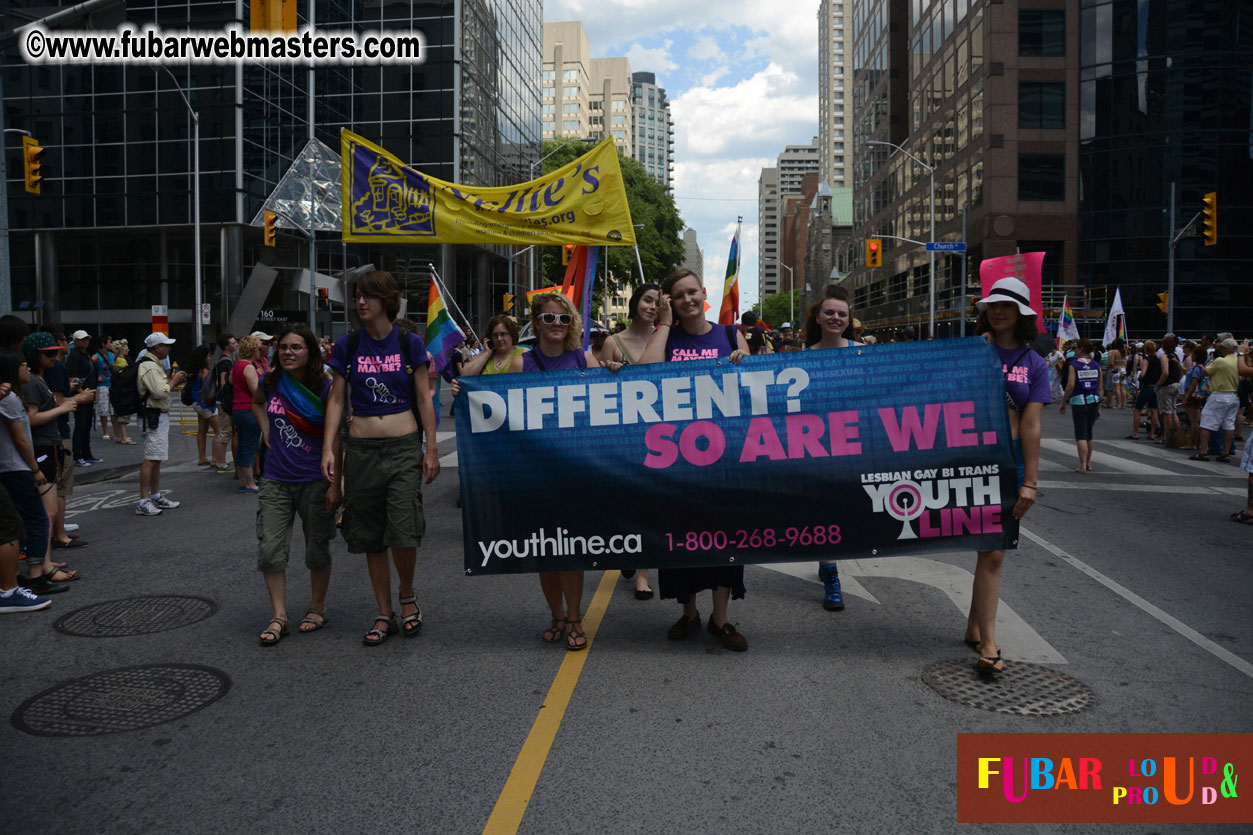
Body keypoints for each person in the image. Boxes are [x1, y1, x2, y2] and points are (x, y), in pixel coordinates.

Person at [322, 270, 440, 647]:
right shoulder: (348, 345)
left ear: (387, 300)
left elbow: (424, 398)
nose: (361, 302)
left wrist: (431, 448)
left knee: (403, 529)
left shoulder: (408, 342)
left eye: (369, 296)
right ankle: (383, 610)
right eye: (357, 295)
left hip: (403, 447)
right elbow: (337, 400)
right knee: (371, 534)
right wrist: (329, 448)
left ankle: (407, 596)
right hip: (361, 452)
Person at [641, 268, 751, 651]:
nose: (688, 299)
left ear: (704, 292)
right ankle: (688, 612)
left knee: (726, 537)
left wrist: (742, 361)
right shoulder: (666, 338)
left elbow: (752, 390)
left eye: (692, 292)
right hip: (675, 459)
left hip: (724, 460)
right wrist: (665, 324)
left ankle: (720, 619)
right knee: (679, 539)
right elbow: (647, 372)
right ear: (670, 301)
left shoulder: (729, 335)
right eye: (678, 295)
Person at [964, 277, 1048, 675]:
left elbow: (1031, 426)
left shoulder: (1035, 364)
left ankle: (986, 638)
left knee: (993, 550)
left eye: (1007, 307)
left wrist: (1029, 480)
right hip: (968, 457)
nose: (997, 312)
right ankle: (980, 632)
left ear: (1021, 314)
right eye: (992, 306)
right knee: (987, 547)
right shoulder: (972, 350)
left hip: (1009, 459)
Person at [516, 293, 599, 649]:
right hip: (536, 471)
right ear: (536, 323)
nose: (556, 326)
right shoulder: (523, 362)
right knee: (545, 551)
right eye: (548, 319)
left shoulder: (583, 358)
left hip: (574, 470)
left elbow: (619, 395)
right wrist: (464, 388)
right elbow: (493, 401)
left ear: (573, 325)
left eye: (564, 320)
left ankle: (576, 617)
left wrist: (612, 372)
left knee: (571, 549)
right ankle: (556, 615)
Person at [252, 325, 340, 646]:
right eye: (283, 347)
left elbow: (338, 438)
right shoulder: (271, 382)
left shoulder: (326, 389)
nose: (288, 352)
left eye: (296, 347)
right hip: (275, 479)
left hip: (315, 480)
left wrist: (337, 483)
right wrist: (265, 429)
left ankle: (317, 607)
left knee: (317, 548)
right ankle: (279, 615)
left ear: (311, 352)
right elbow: (257, 403)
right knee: (270, 550)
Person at [801, 284, 863, 611]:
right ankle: (831, 571)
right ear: (819, 317)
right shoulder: (804, 357)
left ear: (849, 319)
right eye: (830, 312)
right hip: (817, 446)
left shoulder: (861, 352)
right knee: (824, 510)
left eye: (842, 313)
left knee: (848, 510)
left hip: (855, 444)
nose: (835, 317)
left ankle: (829, 563)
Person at [599, 283, 662, 600]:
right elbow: (598, 391)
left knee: (649, 505)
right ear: (635, 302)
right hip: (622, 437)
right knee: (623, 503)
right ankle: (626, 549)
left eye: (658, 302)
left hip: (658, 438)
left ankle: (642, 574)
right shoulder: (612, 342)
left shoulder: (666, 340)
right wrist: (607, 368)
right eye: (647, 300)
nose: (652, 306)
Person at [23, 332, 93, 561]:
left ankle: (44, 563)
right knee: (46, 511)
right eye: (49, 353)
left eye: (55, 352)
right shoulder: (33, 382)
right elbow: (31, 418)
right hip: (43, 447)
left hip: (50, 445)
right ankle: (42, 564)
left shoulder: (39, 379)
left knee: (48, 510)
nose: (55, 357)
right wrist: (65, 407)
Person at [0, 349, 63, 597]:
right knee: (35, 520)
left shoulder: (8, 397)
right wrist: (35, 469)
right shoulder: (10, 399)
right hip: (15, 467)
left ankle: (15, 576)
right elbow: (21, 439)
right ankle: (36, 575)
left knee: (19, 522)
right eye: (22, 366)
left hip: (10, 467)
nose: (27, 369)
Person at [135, 333, 187, 516]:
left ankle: (155, 495)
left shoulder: (152, 364)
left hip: (156, 416)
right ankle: (143, 500)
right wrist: (174, 381)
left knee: (156, 457)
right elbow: (159, 392)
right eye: (166, 345)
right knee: (150, 458)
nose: (169, 349)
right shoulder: (149, 366)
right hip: (153, 416)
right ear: (157, 348)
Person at [1192, 338, 1243, 462]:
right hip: (1233, 395)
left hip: (1219, 394)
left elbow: (1205, 372)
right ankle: (1226, 452)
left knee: (1206, 423)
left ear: (1225, 349)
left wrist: (1206, 364)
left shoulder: (1220, 361)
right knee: (1229, 424)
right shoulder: (1239, 361)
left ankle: (1203, 451)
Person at [1058, 338, 1102, 473]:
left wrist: (1064, 401)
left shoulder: (1074, 364)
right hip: (1094, 400)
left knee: (1081, 434)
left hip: (1079, 400)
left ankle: (1082, 465)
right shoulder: (1096, 365)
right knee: (1089, 433)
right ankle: (1088, 463)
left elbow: (1070, 384)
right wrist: (1099, 405)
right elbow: (1100, 387)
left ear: (1081, 349)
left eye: (1076, 347)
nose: (1074, 349)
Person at [231, 335, 266, 492]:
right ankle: (250, 483)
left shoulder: (238, 365)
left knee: (242, 446)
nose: (260, 351)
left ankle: (243, 481)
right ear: (253, 349)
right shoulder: (249, 367)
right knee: (250, 447)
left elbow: (232, 382)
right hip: (250, 409)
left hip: (238, 409)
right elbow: (256, 391)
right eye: (258, 348)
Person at [65, 329, 101, 467]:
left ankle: (87, 453)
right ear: (76, 341)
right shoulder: (74, 356)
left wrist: (93, 394)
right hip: (80, 395)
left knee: (87, 425)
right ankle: (77, 455)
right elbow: (72, 377)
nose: (85, 341)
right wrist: (81, 393)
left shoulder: (87, 355)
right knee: (81, 424)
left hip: (89, 393)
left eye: (87, 339)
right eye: (82, 339)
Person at [460, 315, 527, 378]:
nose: (499, 339)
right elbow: (464, 375)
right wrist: (486, 354)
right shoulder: (484, 355)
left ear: (512, 335)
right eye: (495, 335)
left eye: (503, 334)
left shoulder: (524, 353)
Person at [188, 345, 219, 467]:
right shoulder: (204, 371)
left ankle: (202, 457)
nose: (210, 358)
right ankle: (215, 459)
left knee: (202, 430)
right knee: (219, 430)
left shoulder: (195, 369)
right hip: (205, 404)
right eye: (209, 356)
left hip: (197, 403)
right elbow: (210, 387)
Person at [211, 333, 237, 472]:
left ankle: (219, 461)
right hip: (224, 400)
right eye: (233, 343)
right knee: (225, 431)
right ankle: (221, 462)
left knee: (224, 430)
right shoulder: (226, 362)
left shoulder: (224, 360)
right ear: (226, 346)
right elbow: (222, 382)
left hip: (222, 399)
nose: (236, 345)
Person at [1129, 339, 1160, 440]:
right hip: (1155, 386)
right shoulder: (1158, 359)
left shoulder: (1147, 359)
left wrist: (1139, 377)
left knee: (1137, 409)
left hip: (1146, 386)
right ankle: (1152, 433)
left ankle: (1135, 432)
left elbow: (1143, 373)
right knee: (1154, 409)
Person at [1156, 334, 1184, 445]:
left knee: (1166, 412)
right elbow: (1181, 371)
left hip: (1166, 385)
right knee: (1173, 411)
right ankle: (1177, 434)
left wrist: (1158, 384)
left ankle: (1167, 436)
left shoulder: (1164, 357)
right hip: (1176, 383)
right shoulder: (1175, 356)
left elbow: (1165, 372)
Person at [110, 339, 136, 444]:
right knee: (123, 415)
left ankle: (120, 436)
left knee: (118, 413)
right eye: (126, 348)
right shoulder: (123, 361)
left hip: (116, 389)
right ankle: (124, 437)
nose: (128, 350)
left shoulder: (116, 359)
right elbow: (126, 376)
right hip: (123, 389)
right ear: (121, 350)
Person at [93, 335, 114, 439]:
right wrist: (96, 378)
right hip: (102, 386)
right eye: (109, 342)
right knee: (104, 410)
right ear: (103, 344)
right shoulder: (96, 356)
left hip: (111, 384)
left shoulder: (111, 355)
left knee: (114, 410)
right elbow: (89, 368)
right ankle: (105, 432)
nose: (111, 344)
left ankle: (116, 432)